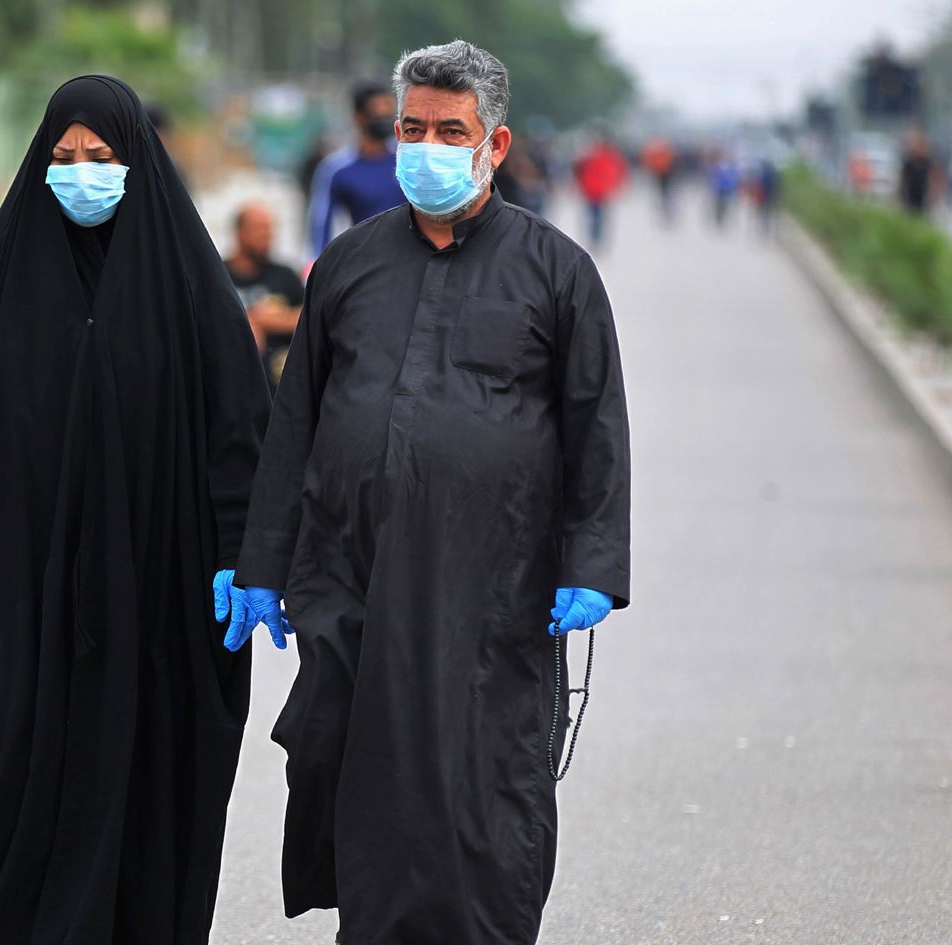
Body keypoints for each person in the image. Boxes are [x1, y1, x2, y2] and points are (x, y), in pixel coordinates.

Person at [227, 40, 630, 945]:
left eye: (451, 132)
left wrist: (592, 563)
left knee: (479, 779)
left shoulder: (557, 271)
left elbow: (596, 424)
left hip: (493, 585)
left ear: (495, 145)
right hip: (351, 575)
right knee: (351, 763)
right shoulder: (348, 266)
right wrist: (263, 561)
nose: (427, 148)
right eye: (413, 129)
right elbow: (296, 422)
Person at [0, 76, 271, 945]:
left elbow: (239, 432)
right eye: (63, 156)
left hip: (152, 589)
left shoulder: (189, 290)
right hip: (14, 585)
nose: (81, 172)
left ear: (138, 162)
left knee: (140, 772)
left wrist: (244, 551)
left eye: (101, 155)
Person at [306, 80, 407, 255]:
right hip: (365, 259)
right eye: (378, 115)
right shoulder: (337, 170)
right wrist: (318, 263)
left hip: (410, 257)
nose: (386, 121)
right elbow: (321, 225)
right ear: (359, 118)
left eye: (389, 114)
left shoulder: (406, 161)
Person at [225, 202, 305, 390]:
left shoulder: (285, 275)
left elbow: (310, 317)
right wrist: (247, 323)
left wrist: (268, 321)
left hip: (278, 386)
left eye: (269, 230)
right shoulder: (220, 275)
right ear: (239, 232)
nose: (266, 236)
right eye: (259, 229)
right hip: (232, 382)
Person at [573, 130, 628, 247]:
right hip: (592, 189)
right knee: (596, 215)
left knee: (597, 215)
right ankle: (595, 236)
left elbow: (617, 172)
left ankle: (596, 237)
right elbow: (579, 171)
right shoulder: (593, 155)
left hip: (600, 190)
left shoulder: (601, 155)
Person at [898, 128, 938, 216]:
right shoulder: (909, 162)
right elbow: (904, 179)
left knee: (921, 214)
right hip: (910, 194)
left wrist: (933, 193)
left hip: (923, 195)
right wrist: (902, 195)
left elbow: (933, 177)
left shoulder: (927, 161)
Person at [640, 135, 677, 225]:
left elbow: (648, 160)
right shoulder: (663, 149)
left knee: (664, 192)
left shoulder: (654, 150)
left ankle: (666, 207)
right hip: (663, 172)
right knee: (664, 192)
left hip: (662, 172)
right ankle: (666, 207)